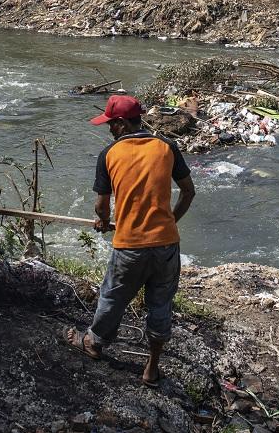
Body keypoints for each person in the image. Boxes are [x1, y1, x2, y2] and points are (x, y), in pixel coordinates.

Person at [64, 95, 195, 387]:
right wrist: (170, 221)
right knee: (161, 304)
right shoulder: (167, 147)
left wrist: (103, 220)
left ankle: (94, 344)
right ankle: (151, 369)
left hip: (130, 245)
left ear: (122, 123)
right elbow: (188, 192)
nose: (109, 129)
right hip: (166, 245)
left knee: (113, 297)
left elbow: (101, 206)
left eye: (111, 124)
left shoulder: (109, 154)